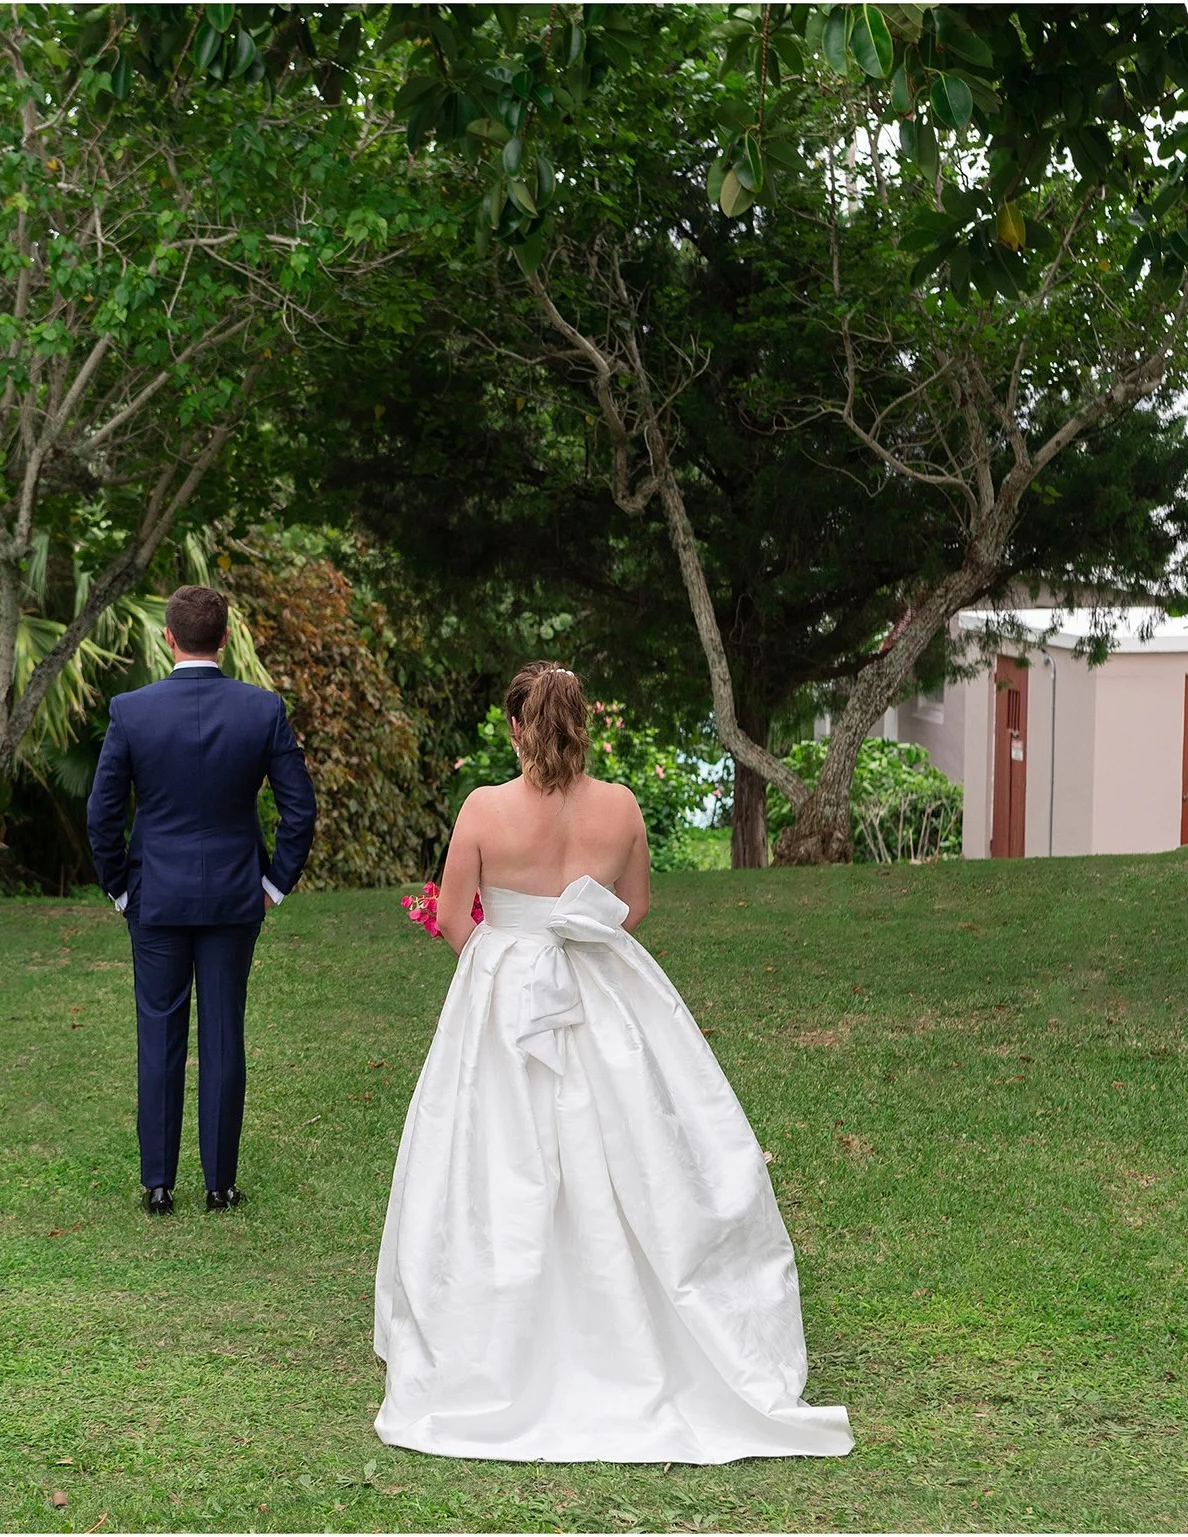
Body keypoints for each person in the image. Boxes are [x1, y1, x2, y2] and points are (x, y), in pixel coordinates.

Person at [372, 661, 852, 1464]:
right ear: (582, 723)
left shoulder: (484, 808)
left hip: (506, 1003)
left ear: (517, 726)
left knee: (498, 1154)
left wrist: (506, 970)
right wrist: (572, 941)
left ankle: (495, 1328)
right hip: (603, 991)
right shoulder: (621, 806)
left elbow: (454, 916)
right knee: (630, 1143)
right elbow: (635, 907)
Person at [86, 585, 317, 1216]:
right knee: (223, 1033)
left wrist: (120, 887)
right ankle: (219, 1185)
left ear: (169, 637)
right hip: (234, 897)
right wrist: (273, 884)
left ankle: (159, 1185)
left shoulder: (132, 711)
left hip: (156, 897)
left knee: (158, 1032)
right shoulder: (261, 709)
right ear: (224, 638)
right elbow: (299, 809)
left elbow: (103, 814)